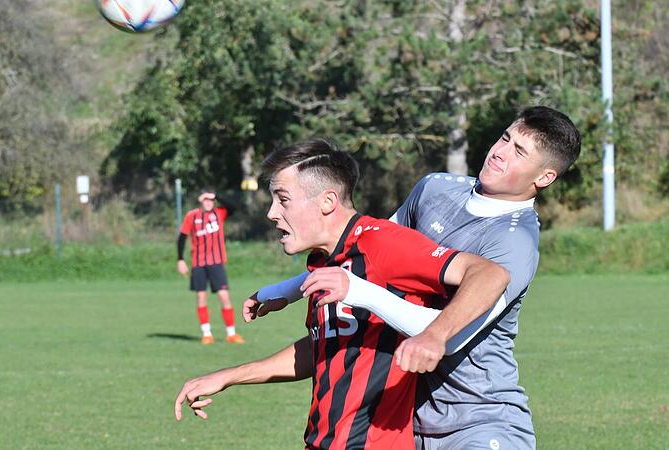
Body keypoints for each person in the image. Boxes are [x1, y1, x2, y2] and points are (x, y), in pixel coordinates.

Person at [245, 106, 582, 449]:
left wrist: (366, 296)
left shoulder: (514, 242)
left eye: (519, 152)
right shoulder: (435, 188)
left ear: (544, 178)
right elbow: (365, 249)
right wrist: (289, 290)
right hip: (407, 422)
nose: (499, 152)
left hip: (479, 420)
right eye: (505, 138)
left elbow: (449, 337)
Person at [174, 139, 510, 449]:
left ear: (328, 201)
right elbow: (324, 348)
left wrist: (436, 335)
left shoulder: (381, 242)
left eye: (283, 199)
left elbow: (490, 274)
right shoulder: (325, 261)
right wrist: (229, 376)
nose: (272, 212)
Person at [177, 188, 244, 345]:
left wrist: (217, 195)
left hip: (216, 263)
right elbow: (182, 238)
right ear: (200, 200)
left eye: (211, 200)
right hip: (198, 264)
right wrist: (180, 259)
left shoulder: (219, 213)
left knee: (224, 296)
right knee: (201, 297)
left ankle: (231, 334)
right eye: (205, 199)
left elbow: (234, 207)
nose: (208, 202)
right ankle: (207, 334)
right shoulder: (192, 216)